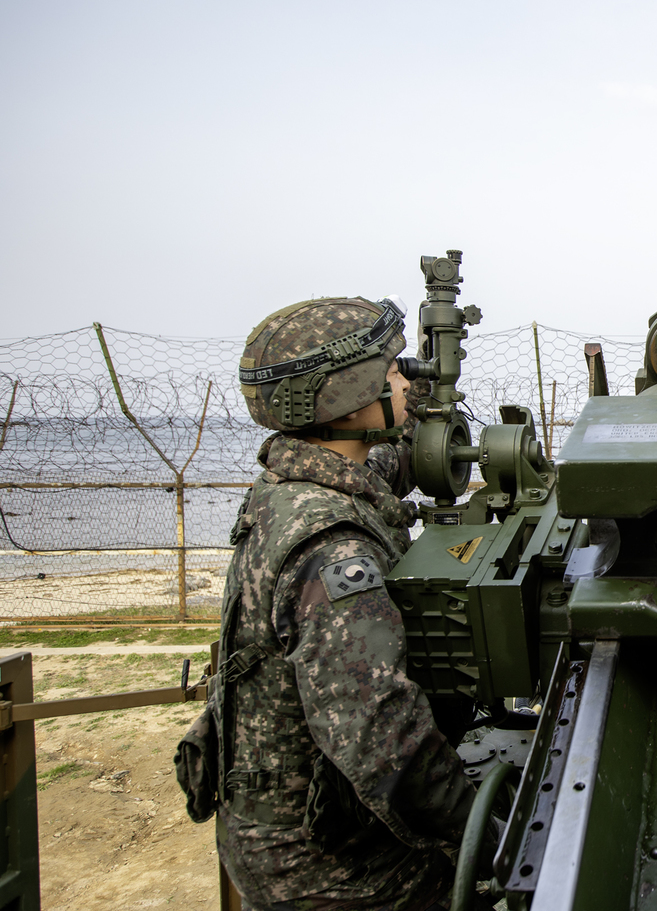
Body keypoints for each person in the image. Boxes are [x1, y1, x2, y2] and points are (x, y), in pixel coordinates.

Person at [183, 296, 475, 911]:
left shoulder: (294, 481)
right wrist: (483, 828)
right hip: (324, 866)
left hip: (268, 824)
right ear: (351, 397)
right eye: (393, 372)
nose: (406, 378)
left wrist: (427, 387)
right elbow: (381, 736)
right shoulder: (334, 549)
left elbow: (387, 469)